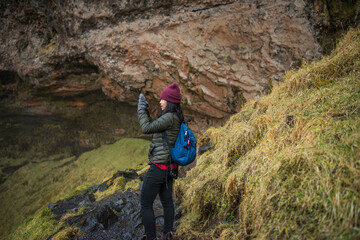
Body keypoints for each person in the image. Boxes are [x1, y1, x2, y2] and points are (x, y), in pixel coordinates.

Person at [137, 83, 184, 240]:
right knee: (167, 201)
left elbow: (146, 127)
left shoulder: (169, 117)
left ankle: (151, 237)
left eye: (163, 99)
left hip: (159, 167)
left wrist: (141, 108)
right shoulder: (176, 117)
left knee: (145, 203)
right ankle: (167, 234)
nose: (160, 102)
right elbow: (155, 126)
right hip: (170, 167)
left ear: (169, 101)